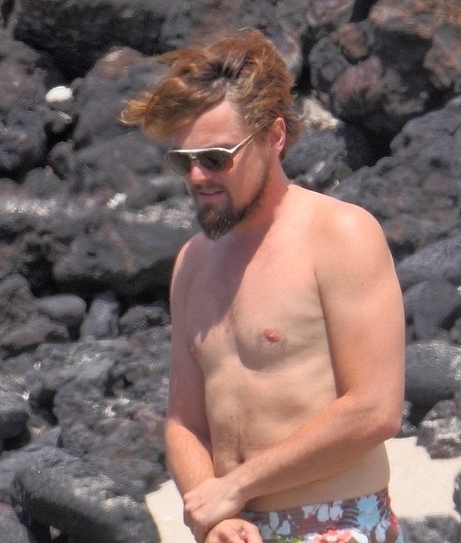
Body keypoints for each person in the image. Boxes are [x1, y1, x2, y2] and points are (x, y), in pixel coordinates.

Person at [122, 28, 406, 543]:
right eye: (183, 160)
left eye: (215, 157)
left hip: (338, 525)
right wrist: (212, 512)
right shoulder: (192, 262)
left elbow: (375, 409)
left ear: (274, 137)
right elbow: (184, 421)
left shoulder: (339, 235)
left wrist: (235, 486)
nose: (198, 176)